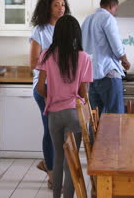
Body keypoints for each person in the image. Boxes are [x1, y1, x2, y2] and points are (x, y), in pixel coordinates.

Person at [36, 15, 93, 198]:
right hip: (73, 114)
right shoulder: (84, 58)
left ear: (57, 33)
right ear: (77, 34)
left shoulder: (46, 54)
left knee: (58, 158)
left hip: (54, 114)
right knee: (71, 161)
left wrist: (52, 97)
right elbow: (84, 92)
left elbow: (39, 88)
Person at [29, 0, 71, 189]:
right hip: (44, 87)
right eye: (56, 5)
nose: (61, 8)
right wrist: (54, 62)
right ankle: (53, 175)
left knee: (62, 132)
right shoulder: (40, 31)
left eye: (62, 4)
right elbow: (32, 62)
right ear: (48, 7)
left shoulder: (67, 30)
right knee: (51, 129)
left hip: (63, 87)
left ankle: (49, 164)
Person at [81, 0, 130, 114]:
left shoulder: (88, 19)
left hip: (91, 76)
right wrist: (125, 60)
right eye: (115, 9)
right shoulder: (108, 18)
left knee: (96, 118)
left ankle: (95, 135)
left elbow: (81, 45)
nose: (115, 12)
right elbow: (116, 45)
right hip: (108, 74)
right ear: (112, 6)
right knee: (116, 116)